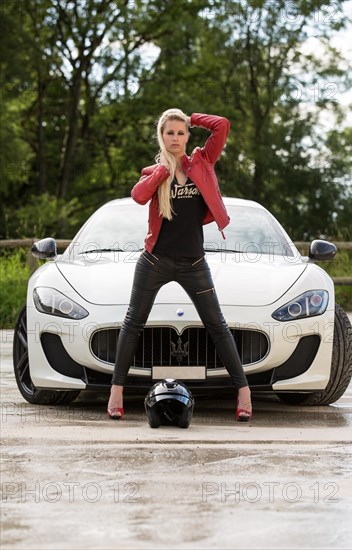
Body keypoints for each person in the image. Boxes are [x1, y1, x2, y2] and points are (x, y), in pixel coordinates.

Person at [107, 109, 252, 422]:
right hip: (154, 261)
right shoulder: (154, 172)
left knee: (218, 326)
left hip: (194, 263)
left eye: (180, 132)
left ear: (187, 136)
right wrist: (163, 172)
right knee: (133, 323)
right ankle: (116, 392)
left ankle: (243, 392)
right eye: (169, 133)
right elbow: (138, 195)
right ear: (161, 136)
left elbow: (222, 126)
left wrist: (192, 117)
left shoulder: (202, 162)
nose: (175, 138)